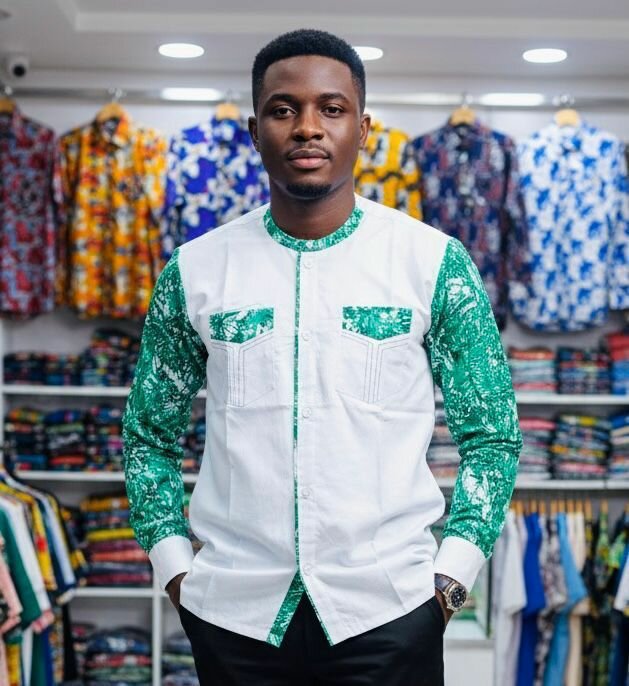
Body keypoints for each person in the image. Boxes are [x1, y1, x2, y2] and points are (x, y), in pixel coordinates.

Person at [123, 28, 521, 686]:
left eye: (331, 109)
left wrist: (451, 578)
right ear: (255, 130)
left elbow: (492, 435)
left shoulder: (431, 263)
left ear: (363, 128)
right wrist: (174, 570)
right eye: (284, 109)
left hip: (391, 611)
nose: (308, 127)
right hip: (234, 614)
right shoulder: (195, 270)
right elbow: (147, 436)